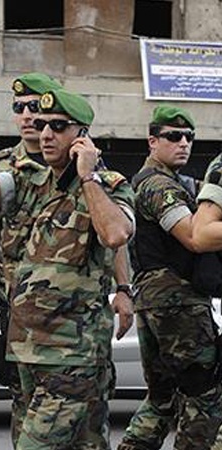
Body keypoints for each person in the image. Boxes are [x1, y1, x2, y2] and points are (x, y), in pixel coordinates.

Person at [0, 88, 135, 449]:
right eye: (41, 126)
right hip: (25, 351)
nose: (45, 135)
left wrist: (88, 177)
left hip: (72, 354)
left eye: (58, 126)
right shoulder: (28, 180)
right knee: (86, 444)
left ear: (82, 137)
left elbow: (116, 234)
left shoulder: (110, 186)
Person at [117, 105, 222, 450]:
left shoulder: (172, 182)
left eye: (189, 137)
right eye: (173, 136)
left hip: (159, 303)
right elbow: (195, 237)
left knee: (162, 399)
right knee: (203, 393)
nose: (183, 143)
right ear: (152, 141)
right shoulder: (157, 185)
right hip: (177, 303)